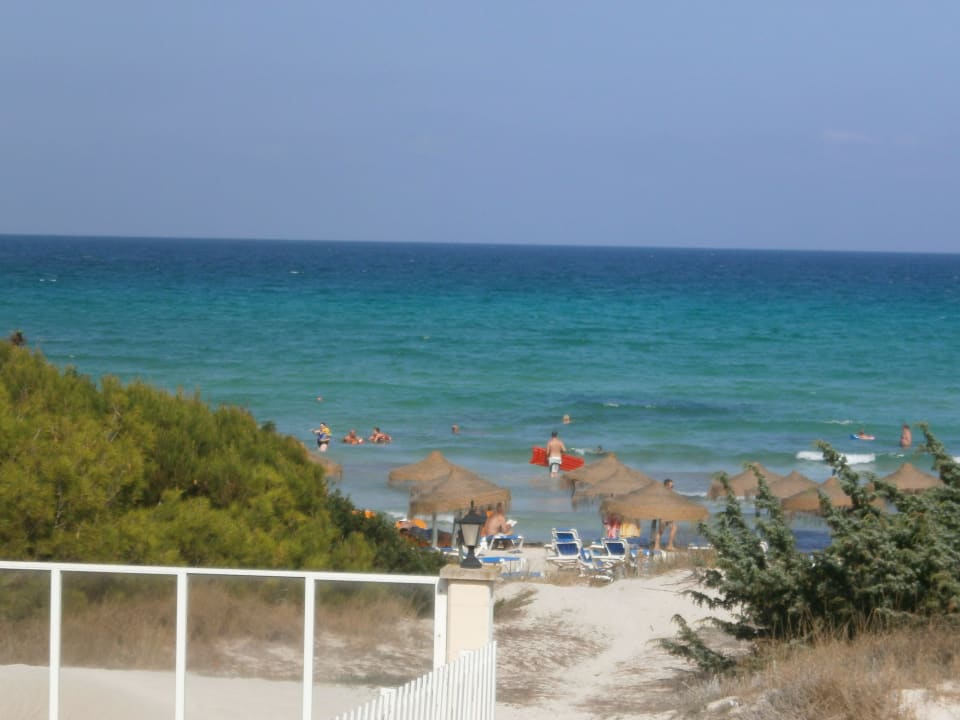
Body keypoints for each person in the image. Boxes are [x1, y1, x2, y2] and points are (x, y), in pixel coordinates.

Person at [651, 478, 678, 551]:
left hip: (668, 514)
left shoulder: (666, 493)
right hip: (664, 515)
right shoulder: (664, 494)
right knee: (661, 531)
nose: (672, 488)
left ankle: (669, 545)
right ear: (666, 486)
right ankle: (658, 546)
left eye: (673, 486)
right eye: (671, 486)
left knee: (673, 528)